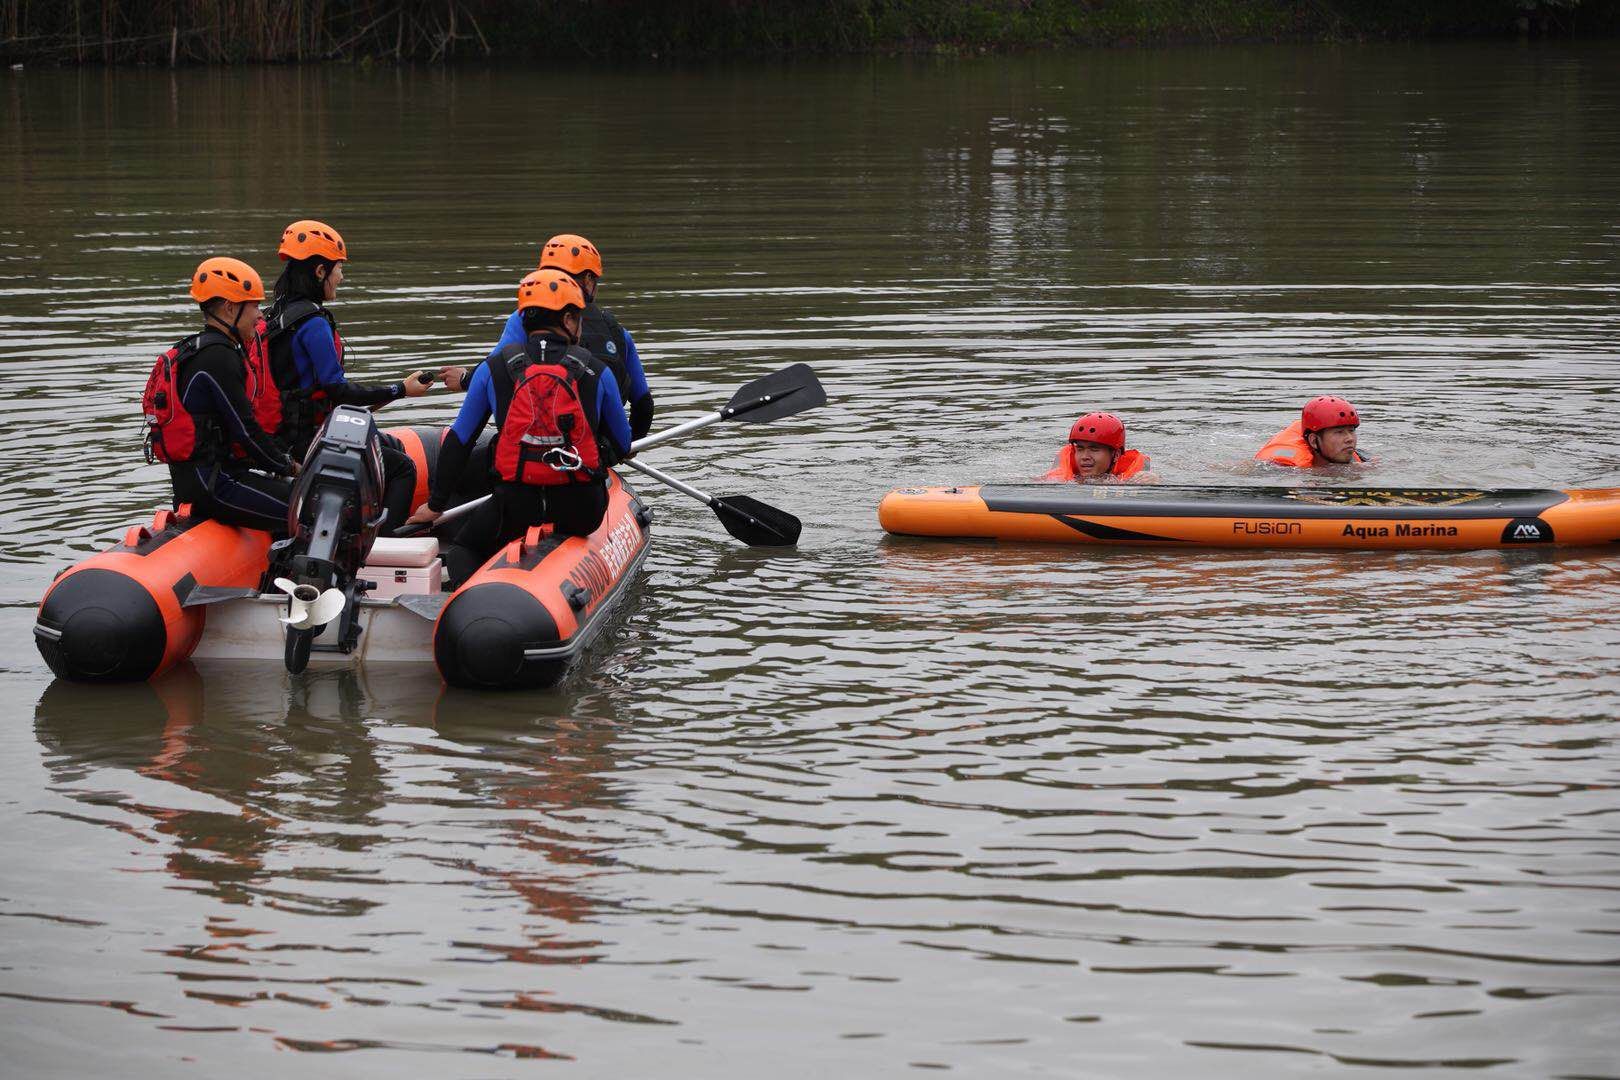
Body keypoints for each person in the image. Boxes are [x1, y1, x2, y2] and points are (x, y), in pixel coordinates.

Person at [404, 270, 633, 584]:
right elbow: (622, 444)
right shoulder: (596, 370)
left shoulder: (492, 369)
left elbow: (460, 439)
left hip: (516, 506)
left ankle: (472, 598)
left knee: (465, 547)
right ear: (567, 320)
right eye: (577, 318)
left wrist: (436, 505)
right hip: (582, 511)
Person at [253, 219, 429, 534]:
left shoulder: (274, 315)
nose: (341, 276)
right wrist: (400, 388)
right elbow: (338, 391)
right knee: (403, 468)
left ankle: (352, 525)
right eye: (338, 269)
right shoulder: (312, 322)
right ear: (320, 271)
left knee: (392, 447)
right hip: (310, 442)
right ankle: (384, 545)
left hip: (283, 438)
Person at [439, 233, 654, 439]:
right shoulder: (616, 331)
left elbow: (491, 373)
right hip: (596, 451)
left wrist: (466, 379)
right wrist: (626, 445)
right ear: (588, 280)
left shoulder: (525, 318)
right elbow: (643, 404)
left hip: (533, 443)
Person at [142, 257, 297, 534]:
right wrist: (290, 466)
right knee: (309, 507)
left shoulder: (202, 349)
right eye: (254, 306)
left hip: (203, 481)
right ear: (230, 308)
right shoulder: (218, 357)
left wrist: (281, 463)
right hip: (215, 487)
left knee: (295, 494)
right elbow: (246, 431)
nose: (261, 315)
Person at [1254, 396, 1368, 468]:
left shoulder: (1362, 461)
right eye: (1339, 432)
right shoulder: (1282, 469)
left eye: (1351, 431)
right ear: (1313, 441)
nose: (1350, 439)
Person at [1042, 412, 1152, 482]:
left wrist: (1150, 482)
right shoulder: (1063, 469)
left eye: (1094, 449)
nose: (1084, 457)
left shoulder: (1134, 474)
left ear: (1116, 454)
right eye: (1080, 449)